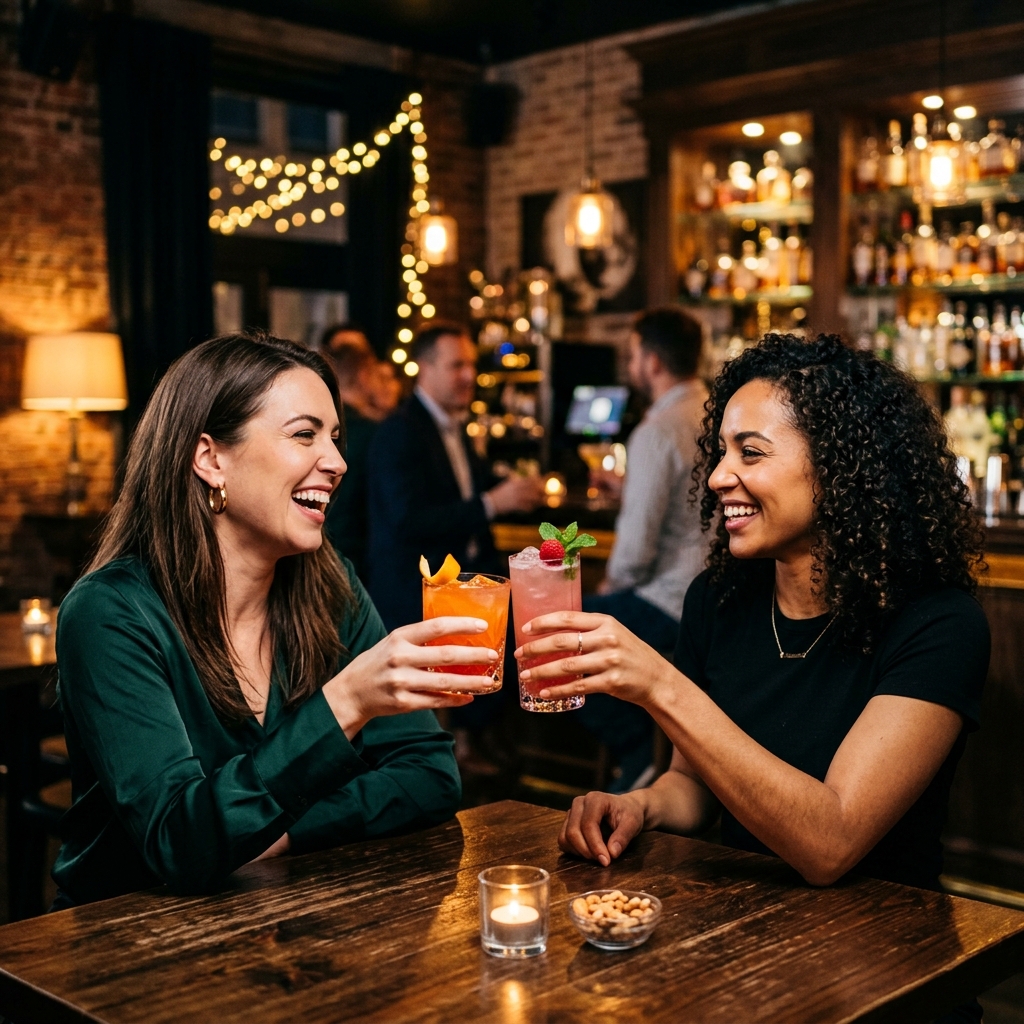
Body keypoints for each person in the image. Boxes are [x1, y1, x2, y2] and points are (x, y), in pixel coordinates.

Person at [518, 335, 988, 905]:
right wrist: (639, 805)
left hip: (886, 936)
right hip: (745, 920)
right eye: (721, 452)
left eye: (751, 453)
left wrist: (661, 686)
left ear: (837, 468)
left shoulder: (938, 625)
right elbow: (692, 786)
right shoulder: (719, 599)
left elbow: (831, 843)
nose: (718, 476)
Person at [51, 331, 498, 906]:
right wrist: (346, 703)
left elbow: (430, 776)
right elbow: (181, 841)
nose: (337, 462)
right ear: (211, 459)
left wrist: (283, 833)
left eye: (334, 438)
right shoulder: (110, 612)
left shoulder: (330, 584)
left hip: (285, 920)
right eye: (304, 435)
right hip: (125, 935)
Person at [367, 322, 545, 773]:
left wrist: (512, 488)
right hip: (415, 586)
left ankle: (476, 744)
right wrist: (493, 502)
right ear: (424, 368)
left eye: (471, 365)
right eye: (457, 365)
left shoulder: (456, 427)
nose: (469, 376)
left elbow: (470, 487)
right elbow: (408, 520)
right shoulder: (398, 432)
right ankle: (445, 756)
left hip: (467, 579)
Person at [578, 307, 709, 794]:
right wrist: (629, 488)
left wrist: (610, 585)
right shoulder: (714, 413)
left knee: (548, 636)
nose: (630, 366)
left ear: (652, 362)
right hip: (709, 596)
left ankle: (640, 751)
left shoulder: (657, 430)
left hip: (670, 602)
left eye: (632, 356)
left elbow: (634, 554)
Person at [322, 343, 400, 581]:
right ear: (364, 376)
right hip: (357, 556)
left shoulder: (317, 425)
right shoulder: (374, 433)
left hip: (321, 546)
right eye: (377, 375)